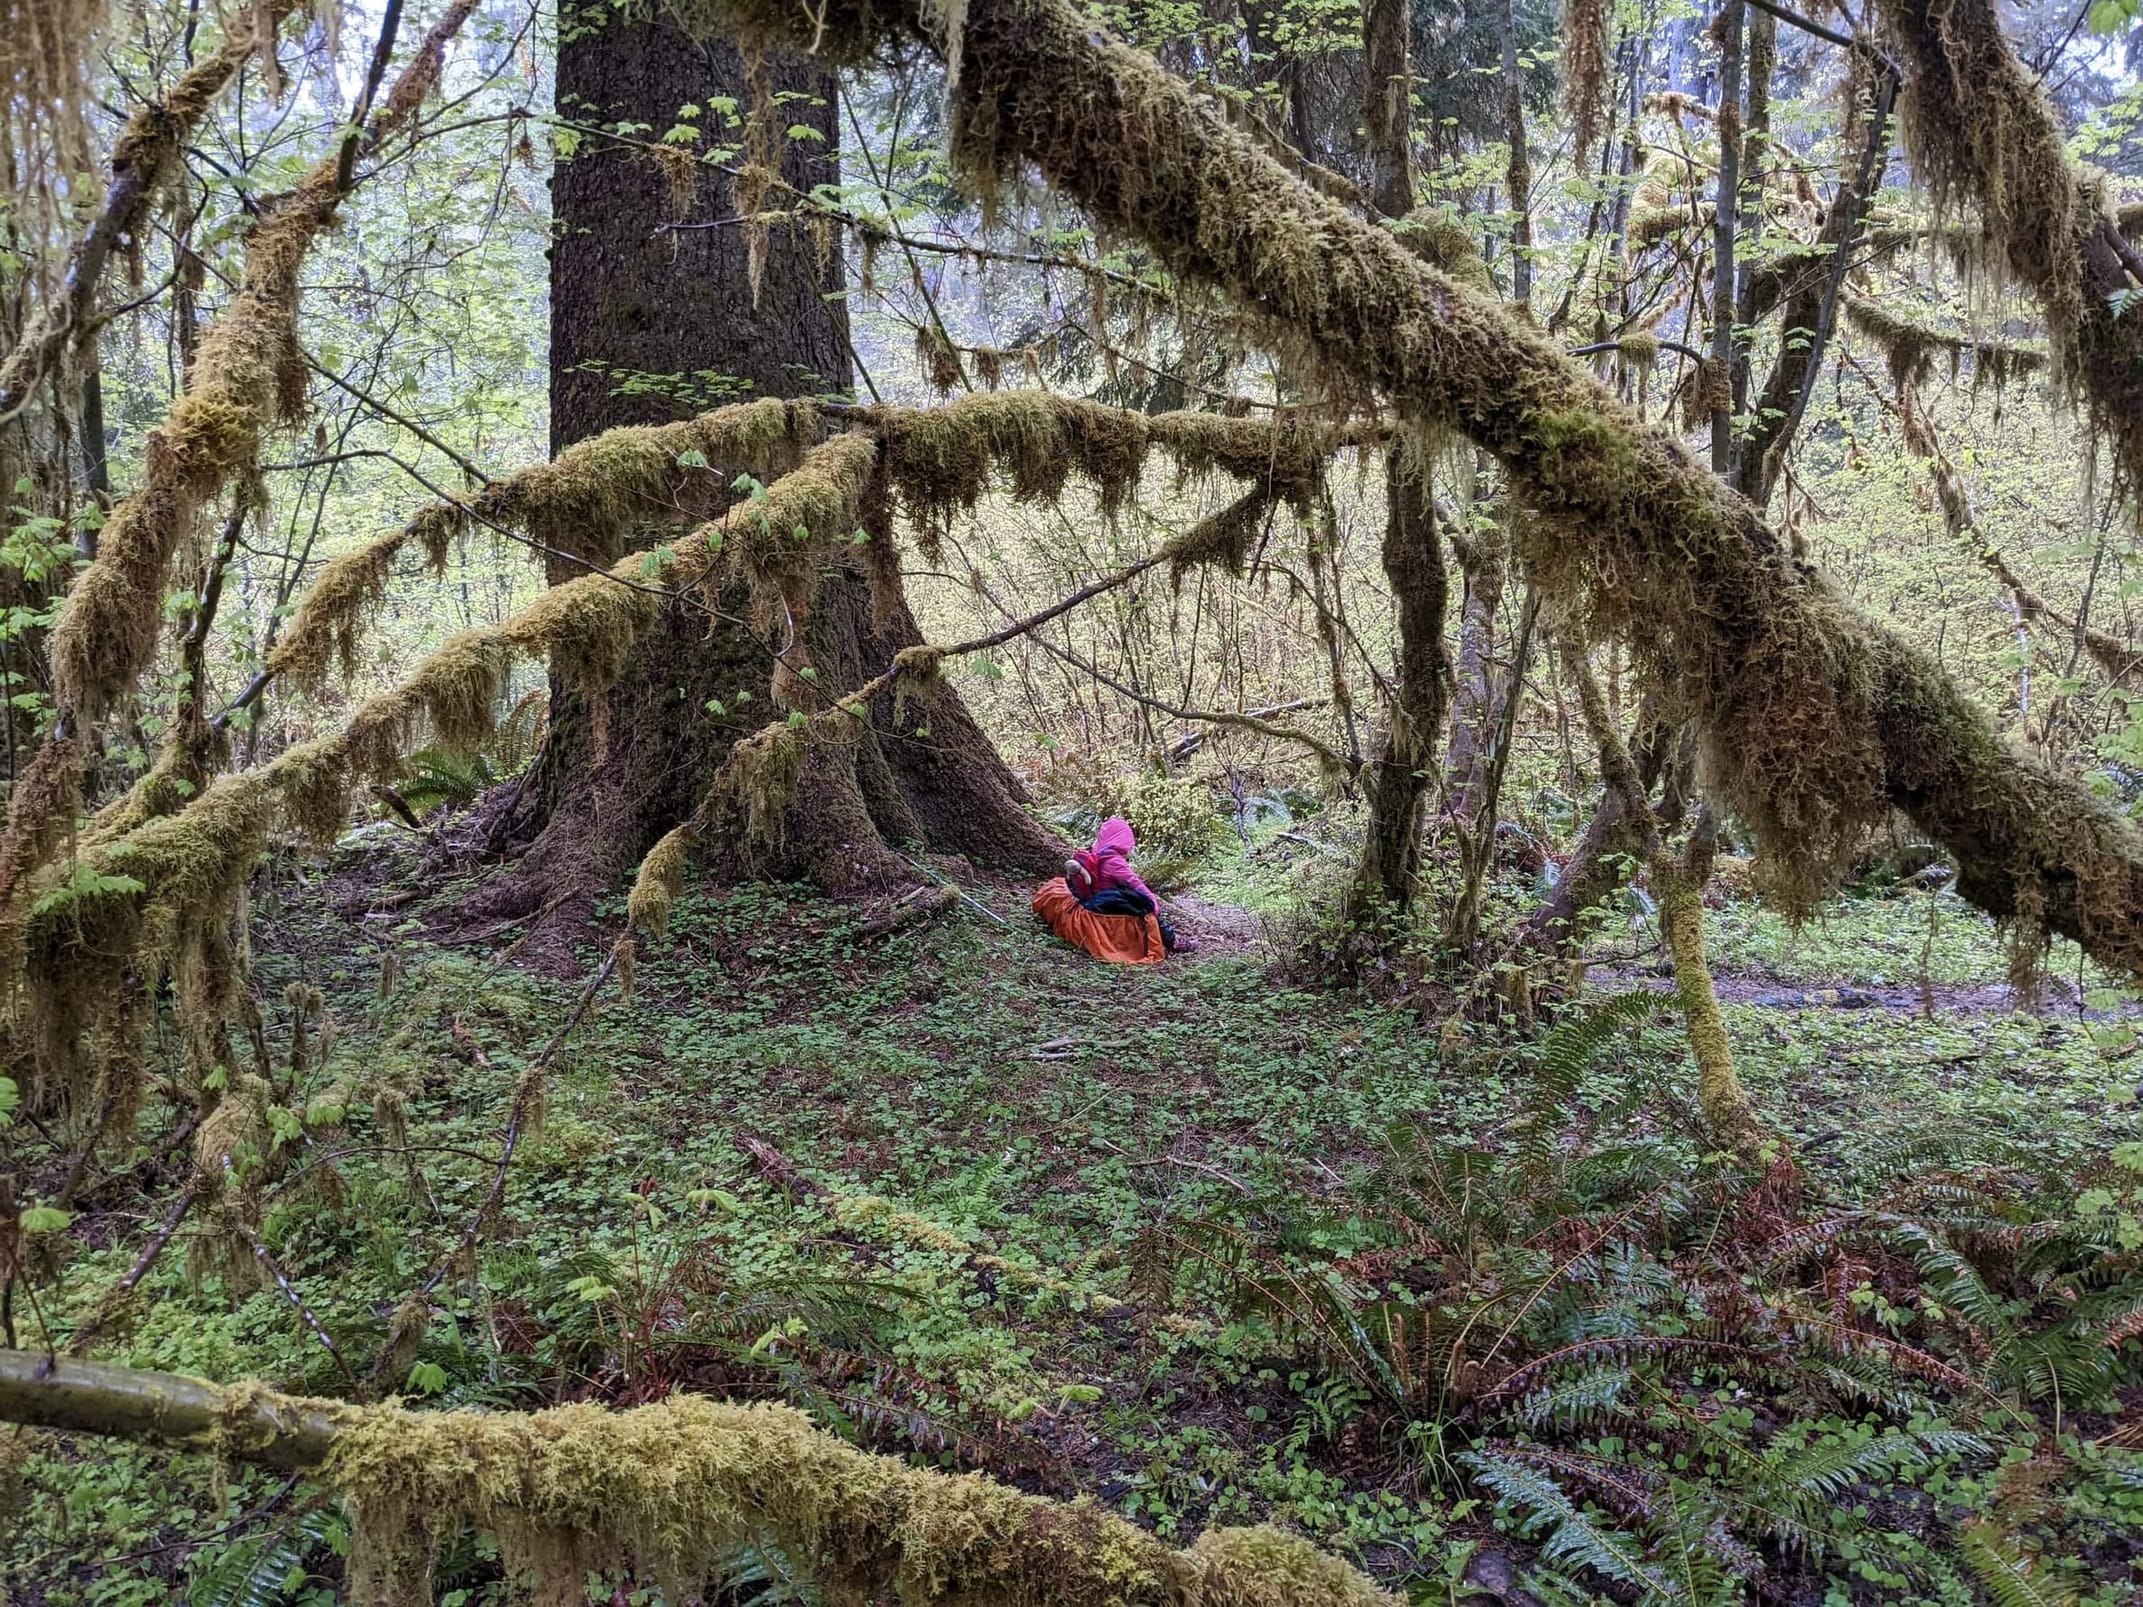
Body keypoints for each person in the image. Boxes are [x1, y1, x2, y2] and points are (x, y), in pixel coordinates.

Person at [1066, 817, 1198, 952]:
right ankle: (1173, 942)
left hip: (1093, 900)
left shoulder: (1096, 853)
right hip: (1106, 904)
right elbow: (1135, 883)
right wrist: (1153, 902)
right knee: (1145, 903)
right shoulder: (1113, 861)